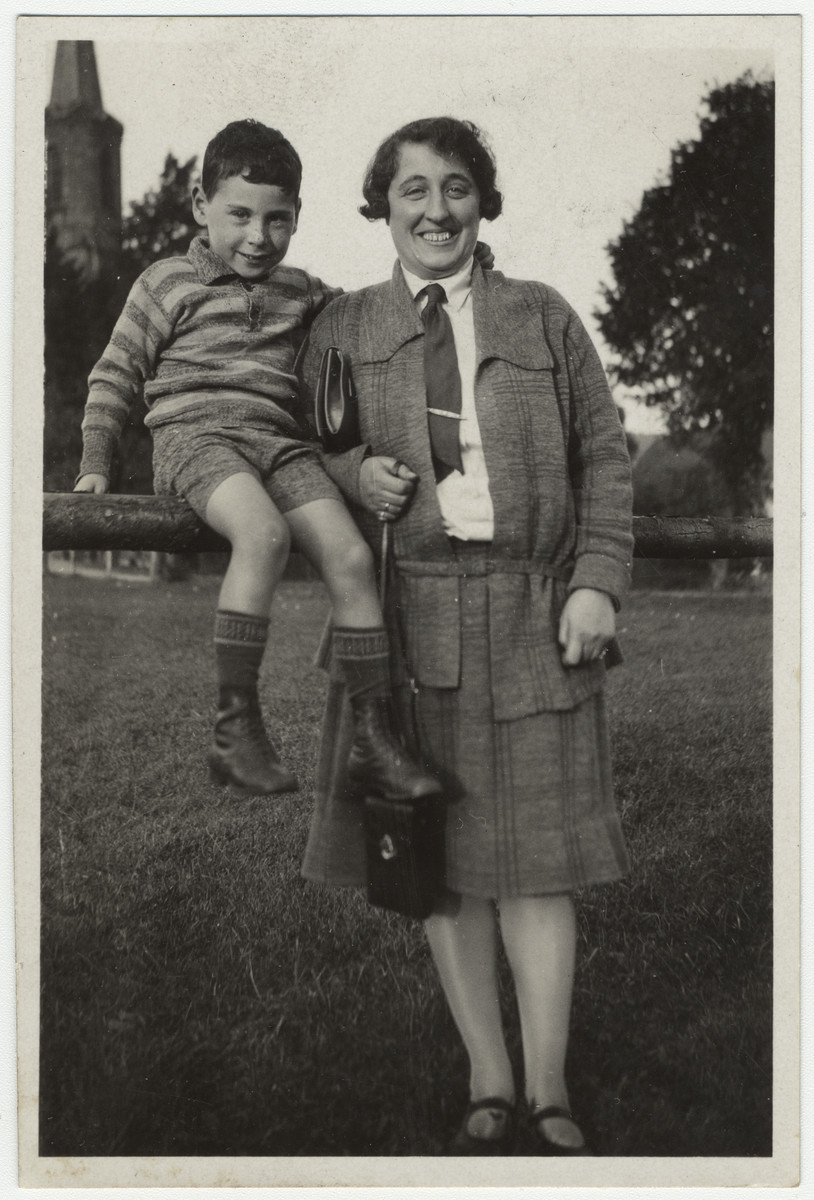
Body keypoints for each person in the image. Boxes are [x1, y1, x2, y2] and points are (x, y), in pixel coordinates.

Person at [299, 117, 634, 1156]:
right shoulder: (342, 327)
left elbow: (607, 460)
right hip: (413, 622)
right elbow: (301, 454)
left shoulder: (543, 319)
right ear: (382, 207)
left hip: (538, 611)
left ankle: (547, 1087)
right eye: (412, 191)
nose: (435, 210)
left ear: (483, 201)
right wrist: (356, 477)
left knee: (536, 867)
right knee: (440, 865)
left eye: (455, 188)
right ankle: (487, 1078)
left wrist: (596, 584)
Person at [73, 118, 439, 804]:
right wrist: (98, 458)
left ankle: (372, 740)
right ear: (199, 204)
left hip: (280, 446)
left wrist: (431, 286)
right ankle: (233, 729)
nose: (257, 236)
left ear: (297, 219)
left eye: (278, 220)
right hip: (197, 438)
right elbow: (113, 375)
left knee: (353, 558)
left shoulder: (302, 292)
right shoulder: (165, 283)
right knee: (264, 535)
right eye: (239, 214)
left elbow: (365, 321)